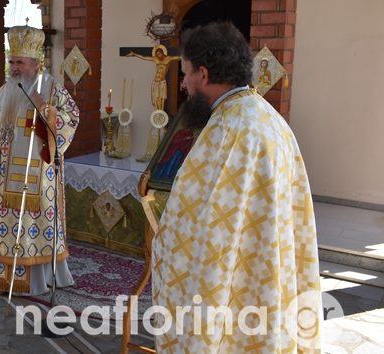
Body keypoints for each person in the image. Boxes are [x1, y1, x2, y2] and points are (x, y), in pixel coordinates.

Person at [151, 22, 321, 352]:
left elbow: (197, 224)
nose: (183, 85)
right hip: (266, 266)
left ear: (203, 74)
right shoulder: (269, 117)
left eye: (184, 74)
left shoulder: (226, 131)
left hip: (234, 280)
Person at [0, 25, 80, 295]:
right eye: (11, 61)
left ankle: (39, 279)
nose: (14, 67)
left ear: (36, 63)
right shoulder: (2, 92)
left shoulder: (51, 89)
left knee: (32, 229)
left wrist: (46, 109)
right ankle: (2, 277)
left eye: (20, 62)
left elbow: (72, 117)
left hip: (38, 180)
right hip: (2, 180)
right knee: (6, 228)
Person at [126, 44, 180, 111]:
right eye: (157, 54)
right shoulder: (155, 59)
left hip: (162, 82)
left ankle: (161, 113)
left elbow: (178, 57)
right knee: (156, 99)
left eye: (159, 54)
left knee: (162, 99)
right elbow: (144, 57)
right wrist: (134, 54)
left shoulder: (168, 59)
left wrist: (188, 55)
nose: (158, 56)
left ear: (162, 53)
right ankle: (157, 113)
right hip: (155, 82)